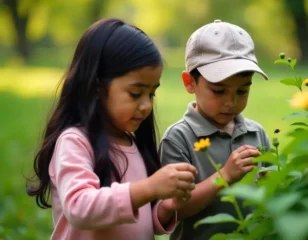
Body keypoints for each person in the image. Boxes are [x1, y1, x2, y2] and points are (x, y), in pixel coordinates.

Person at [26, 18, 197, 240]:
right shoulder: (75, 141)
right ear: (97, 86)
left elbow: (138, 219)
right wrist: (149, 188)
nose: (146, 105)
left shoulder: (132, 143)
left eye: (151, 94)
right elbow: (79, 207)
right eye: (135, 93)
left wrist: (167, 206)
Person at [159, 19, 271, 240]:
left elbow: (268, 200)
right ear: (190, 82)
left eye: (243, 91)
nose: (231, 102)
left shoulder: (257, 134)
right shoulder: (178, 139)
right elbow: (173, 211)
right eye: (219, 91)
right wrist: (224, 176)